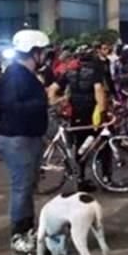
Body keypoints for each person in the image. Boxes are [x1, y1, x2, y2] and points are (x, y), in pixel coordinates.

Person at [0, 30, 51, 255]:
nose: (47, 56)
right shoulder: (16, 75)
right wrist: (43, 102)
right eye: (44, 52)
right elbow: (11, 106)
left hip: (26, 138)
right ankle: (18, 236)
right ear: (34, 52)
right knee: (21, 188)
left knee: (27, 187)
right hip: (18, 139)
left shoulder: (24, 75)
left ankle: (28, 230)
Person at [49, 47, 111, 191]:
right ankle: (106, 178)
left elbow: (52, 90)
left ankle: (81, 178)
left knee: (80, 145)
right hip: (91, 112)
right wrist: (102, 113)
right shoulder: (95, 70)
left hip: (76, 112)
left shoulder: (69, 71)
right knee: (104, 142)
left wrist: (59, 101)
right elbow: (99, 93)